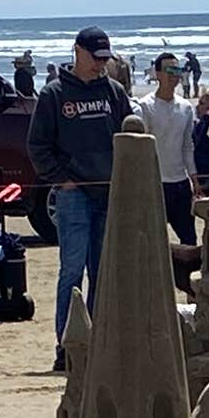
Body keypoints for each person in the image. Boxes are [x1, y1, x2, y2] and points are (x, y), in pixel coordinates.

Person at [27, 26, 133, 368]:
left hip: (107, 192)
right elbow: (38, 146)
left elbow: (127, 137)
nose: (99, 65)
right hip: (73, 196)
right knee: (71, 270)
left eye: (105, 59)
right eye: (94, 58)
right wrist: (62, 179)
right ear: (77, 52)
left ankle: (99, 345)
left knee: (102, 272)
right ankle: (67, 346)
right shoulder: (54, 94)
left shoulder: (114, 92)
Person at [137, 53, 200, 246]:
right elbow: (142, 148)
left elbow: (187, 146)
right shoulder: (145, 106)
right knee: (152, 239)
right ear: (158, 74)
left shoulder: (186, 107)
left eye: (178, 70)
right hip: (155, 183)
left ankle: (186, 276)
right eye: (169, 71)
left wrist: (194, 180)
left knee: (189, 239)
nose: (175, 75)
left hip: (180, 184)